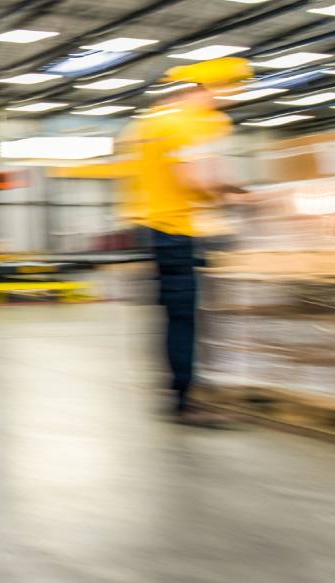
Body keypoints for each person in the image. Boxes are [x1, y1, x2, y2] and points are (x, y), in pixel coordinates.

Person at [120, 56, 254, 426]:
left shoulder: (155, 119)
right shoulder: (184, 124)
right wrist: (240, 198)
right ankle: (184, 400)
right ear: (207, 89)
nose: (230, 100)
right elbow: (195, 179)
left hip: (156, 226)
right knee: (183, 316)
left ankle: (180, 390)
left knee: (175, 315)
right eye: (228, 91)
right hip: (174, 230)